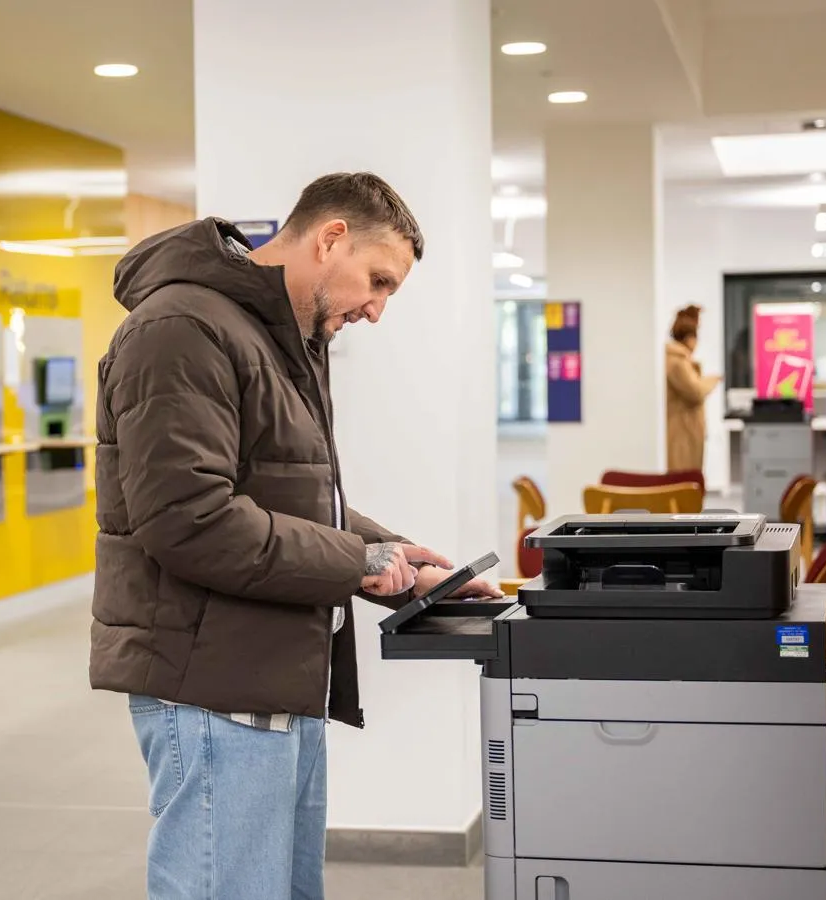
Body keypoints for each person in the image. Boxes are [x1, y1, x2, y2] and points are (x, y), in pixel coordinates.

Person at [90, 172, 503, 899]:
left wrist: (405, 559)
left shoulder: (281, 338)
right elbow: (191, 520)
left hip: (276, 672)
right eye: (378, 282)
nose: (376, 309)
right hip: (212, 685)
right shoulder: (180, 329)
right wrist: (358, 560)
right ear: (330, 237)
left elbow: (294, 493)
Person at [665, 304, 721, 473]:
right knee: (684, 481)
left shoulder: (680, 360)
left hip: (685, 429)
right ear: (690, 338)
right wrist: (712, 381)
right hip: (682, 431)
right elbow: (695, 392)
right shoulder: (676, 362)